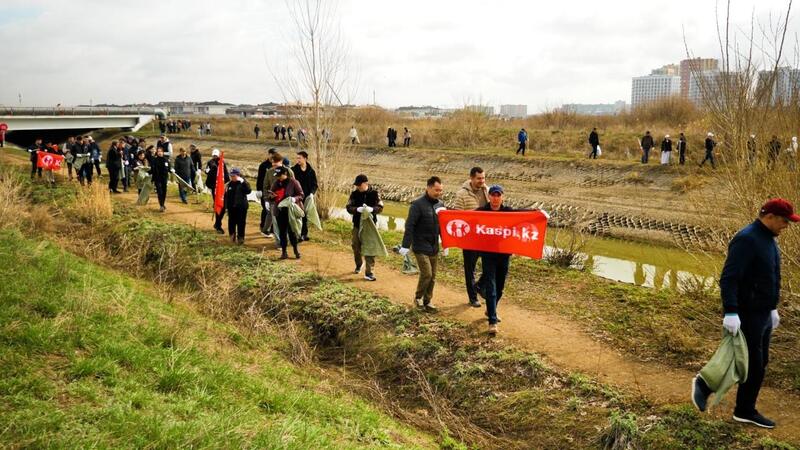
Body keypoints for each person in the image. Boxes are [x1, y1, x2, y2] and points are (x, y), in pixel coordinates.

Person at [692, 199, 798, 428]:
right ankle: (713, 390)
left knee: (758, 362)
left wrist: (772, 308)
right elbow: (729, 278)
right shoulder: (747, 239)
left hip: (763, 312)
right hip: (747, 313)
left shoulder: (768, 239)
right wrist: (730, 311)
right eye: (784, 221)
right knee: (750, 363)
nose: (786, 226)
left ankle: (738, 406)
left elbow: (769, 276)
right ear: (769, 216)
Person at [475, 185, 517, 336]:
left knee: (499, 288)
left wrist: (539, 214)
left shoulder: (508, 212)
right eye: (493, 195)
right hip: (487, 255)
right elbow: (466, 218)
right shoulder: (482, 211)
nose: (495, 198)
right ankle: (492, 321)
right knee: (491, 288)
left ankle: (490, 309)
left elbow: (523, 216)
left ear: (502, 197)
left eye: (498, 195)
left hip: (504, 255)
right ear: (489, 196)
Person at [399, 176, 445, 311]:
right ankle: (418, 298)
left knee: (433, 277)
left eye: (441, 190)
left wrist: (446, 243)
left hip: (434, 246)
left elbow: (443, 226)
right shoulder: (417, 205)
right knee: (427, 274)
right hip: (420, 245)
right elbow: (410, 225)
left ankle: (427, 301)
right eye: (436, 190)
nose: (439, 193)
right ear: (429, 188)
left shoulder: (440, 205)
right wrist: (405, 245)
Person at [453, 167, 489, 307]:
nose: (482, 181)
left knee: (490, 265)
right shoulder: (462, 194)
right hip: (470, 237)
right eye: (479, 178)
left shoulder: (487, 190)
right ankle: (472, 297)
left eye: (483, 178)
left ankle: (479, 286)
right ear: (471, 178)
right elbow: (457, 215)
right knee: (470, 269)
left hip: (485, 235)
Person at [345, 174, 384, 280]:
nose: (357, 187)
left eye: (359, 185)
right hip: (357, 225)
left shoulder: (375, 194)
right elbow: (348, 207)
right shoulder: (354, 194)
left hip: (370, 227)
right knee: (355, 245)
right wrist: (357, 209)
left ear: (366, 183)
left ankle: (369, 273)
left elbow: (380, 207)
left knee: (370, 248)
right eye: (356, 185)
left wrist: (372, 209)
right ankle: (359, 264)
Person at [269, 166, 304, 259]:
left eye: (280, 175)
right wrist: (271, 197)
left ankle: (296, 250)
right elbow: (270, 194)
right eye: (277, 175)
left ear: (285, 174)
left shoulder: (293, 182)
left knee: (292, 231)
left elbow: (301, 195)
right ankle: (284, 252)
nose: (278, 177)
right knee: (282, 232)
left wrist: (294, 199)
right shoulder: (276, 183)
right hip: (280, 211)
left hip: (290, 211)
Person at [292, 151, 318, 241]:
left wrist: (311, 193)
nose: (298, 160)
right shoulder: (293, 170)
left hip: (307, 196)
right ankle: (297, 234)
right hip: (297, 197)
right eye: (297, 158)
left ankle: (304, 234)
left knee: (305, 216)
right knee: (297, 215)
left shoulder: (311, 171)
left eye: (299, 158)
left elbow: (315, 185)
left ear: (305, 159)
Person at [205, 148, 230, 233]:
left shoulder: (222, 163)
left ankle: (217, 223)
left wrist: (227, 183)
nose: (215, 157)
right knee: (219, 206)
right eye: (214, 155)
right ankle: (218, 225)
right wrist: (211, 169)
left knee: (224, 206)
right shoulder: (210, 163)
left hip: (223, 187)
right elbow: (207, 172)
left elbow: (226, 174)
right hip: (215, 188)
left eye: (216, 155)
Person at [224, 168, 252, 244]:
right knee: (231, 222)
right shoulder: (229, 184)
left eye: (234, 176)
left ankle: (241, 238)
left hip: (241, 207)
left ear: (238, 175)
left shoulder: (243, 183)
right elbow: (226, 196)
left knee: (241, 223)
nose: (232, 177)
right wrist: (226, 207)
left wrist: (243, 182)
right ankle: (232, 236)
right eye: (231, 176)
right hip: (231, 207)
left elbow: (248, 191)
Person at [256, 149, 273, 237]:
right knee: (266, 209)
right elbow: (260, 179)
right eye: (271, 154)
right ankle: (263, 227)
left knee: (273, 210)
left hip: (274, 192)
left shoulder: (275, 165)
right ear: (268, 154)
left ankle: (272, 229)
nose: (273, 156)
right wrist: (259, 190)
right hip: (264, 191)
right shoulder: (263, 165)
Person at [151, 147, 171, 212]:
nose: (159, 152)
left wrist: (172, 170)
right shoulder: (154, 160)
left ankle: (163, 204)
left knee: (164, 192)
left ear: (163, 152)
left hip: (164, 178)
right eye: (158, 151)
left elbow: (169, 168)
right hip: (157, 178)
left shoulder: (166, 160)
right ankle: (161, 205)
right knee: (159, 192)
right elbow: (152, 169)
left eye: (160, 151)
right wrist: (147, 173)